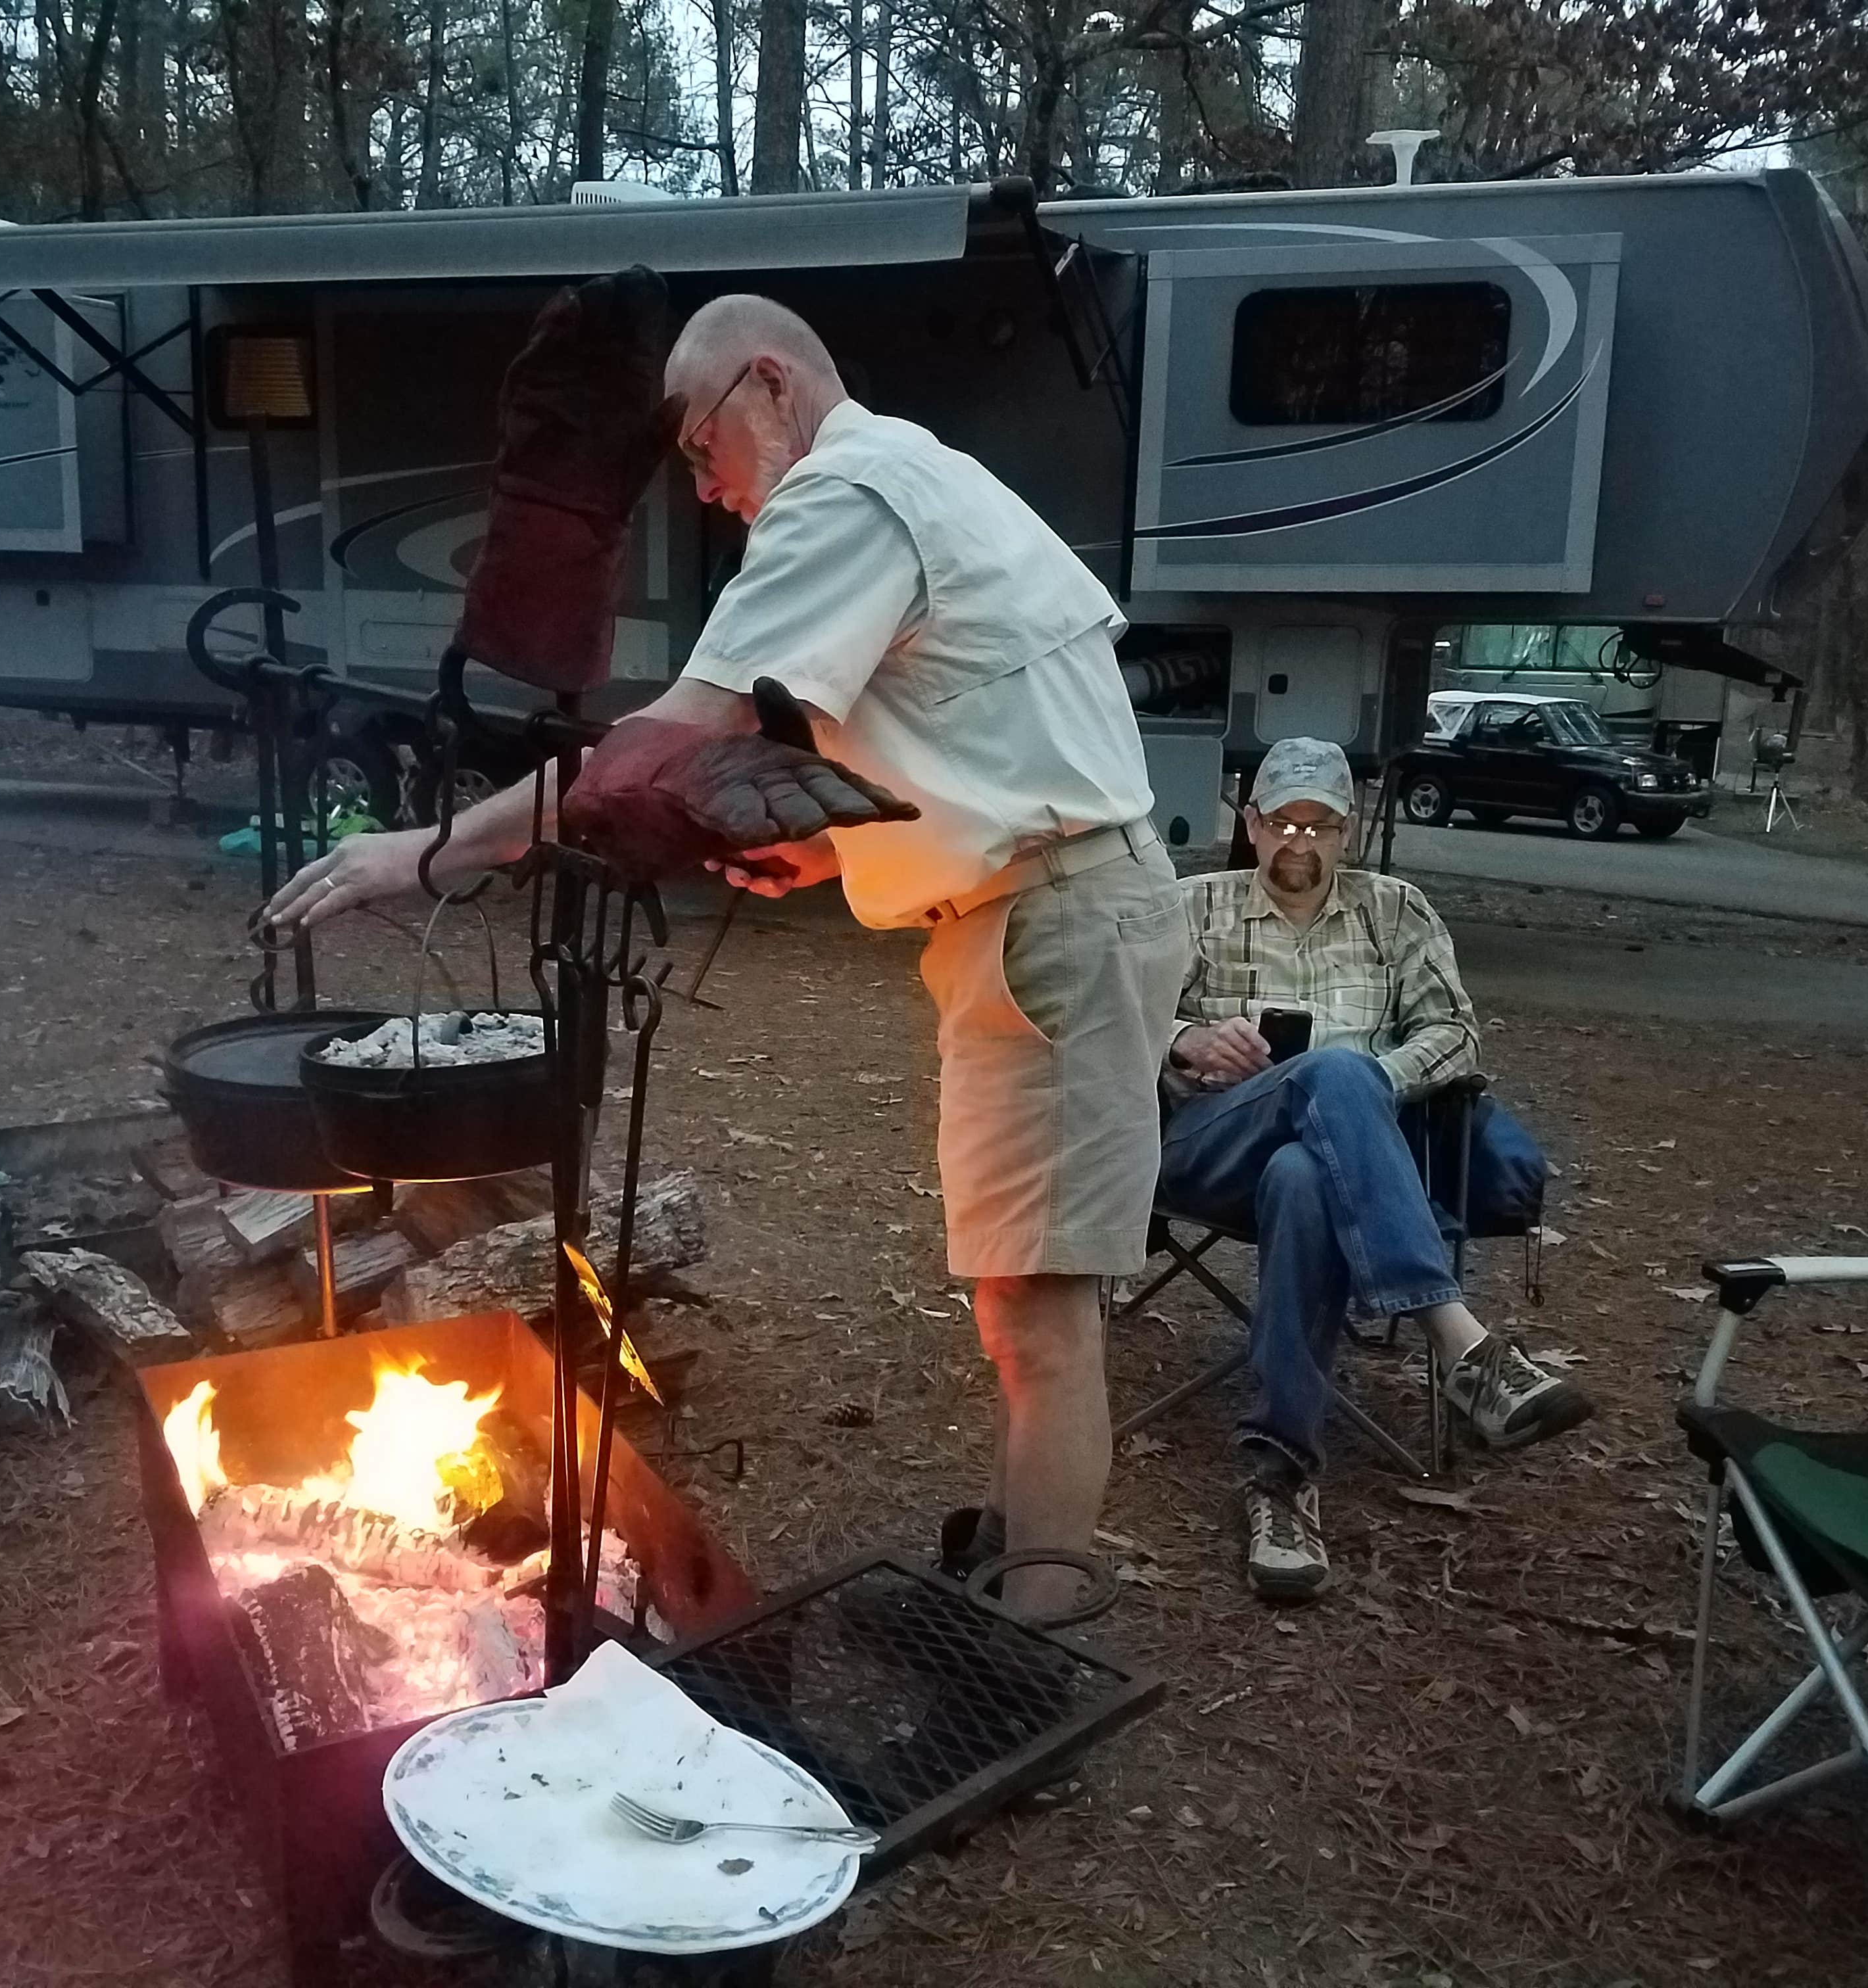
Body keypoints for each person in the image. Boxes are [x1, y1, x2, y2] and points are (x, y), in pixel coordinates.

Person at [265, 295, 1188, 1619]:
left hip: (1055, 925)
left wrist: (427, 852)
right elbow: (983, 731)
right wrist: (828, 855)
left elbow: (671, 742)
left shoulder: (848, 492)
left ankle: (1034, 1645)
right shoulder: (925, 475)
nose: (704, 491)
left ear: (769, 386)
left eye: (700, 451)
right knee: (1021, 1295)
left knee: (1038, 1307)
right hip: (1056, 912)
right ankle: (1019, 1574)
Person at [1161, 736, 1592, 1601]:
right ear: (1249, 823)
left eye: (1320, 824)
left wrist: (1364, 1086)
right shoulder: (1191, 907)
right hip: (1207, 1142)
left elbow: (1457, 1034)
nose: (1299, 841)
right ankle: (1461, 1344)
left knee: (1306, 1176)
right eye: (1282, 821)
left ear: (1347, 830)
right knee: (1328, 1077)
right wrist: (1189, 1039)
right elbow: (1108, 1020)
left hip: (1340, 1166)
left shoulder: (1395, 911)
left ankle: (1280, 1480)